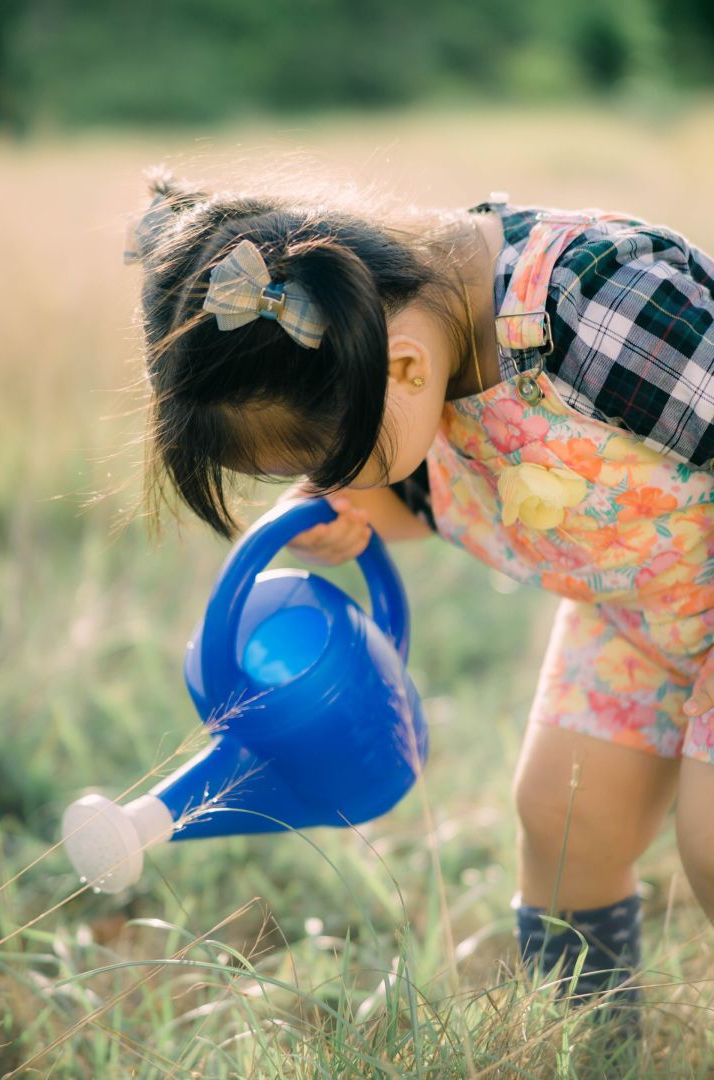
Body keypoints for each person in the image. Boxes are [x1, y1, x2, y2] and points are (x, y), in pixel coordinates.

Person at [124, 166, 714, 1016]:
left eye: (322, 466)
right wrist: (343, 512)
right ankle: (596, 1046)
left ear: (399, 369)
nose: (313, 485)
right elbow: (449, 494)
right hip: (637, 620)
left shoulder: (595, 306)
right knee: (559, 819)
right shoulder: (419, 372)